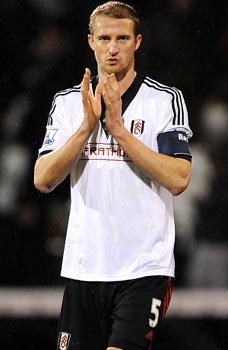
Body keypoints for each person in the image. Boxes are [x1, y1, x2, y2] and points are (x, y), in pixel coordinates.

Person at [33, 2, 192, 350]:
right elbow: (43, 179)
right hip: (84, 266)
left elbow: (179, 178)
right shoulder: (67, 103)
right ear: (90, 41)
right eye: (105, 38)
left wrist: (120, 132)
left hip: (143, 268)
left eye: (122, 38)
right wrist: (86, 128)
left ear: (138, 42)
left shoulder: (163, 101)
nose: (113, 47)